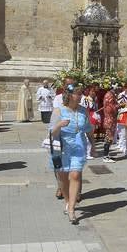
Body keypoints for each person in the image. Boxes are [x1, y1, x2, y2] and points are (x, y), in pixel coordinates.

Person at [50, 84, 92, 224]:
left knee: (75, 175)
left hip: (79, 147)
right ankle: (68, 202)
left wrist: (93, 145)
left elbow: (88, 128)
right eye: (77, 94)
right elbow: (52, 133)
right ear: (69, 95)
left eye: (81, 93)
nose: (80, 96)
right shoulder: (58, 111)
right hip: (62, 148)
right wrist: (59, 125)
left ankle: (72, 209)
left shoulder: (83, 111)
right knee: (62, 178)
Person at [101, 85, 118, 163]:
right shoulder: (110, 95)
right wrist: (118, 106)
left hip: (110, 119)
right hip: (109, 120)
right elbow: (110, 108)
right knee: (108, 138)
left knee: (109, 138)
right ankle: (105, 156)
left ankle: (106, 155)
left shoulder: (109, 94)